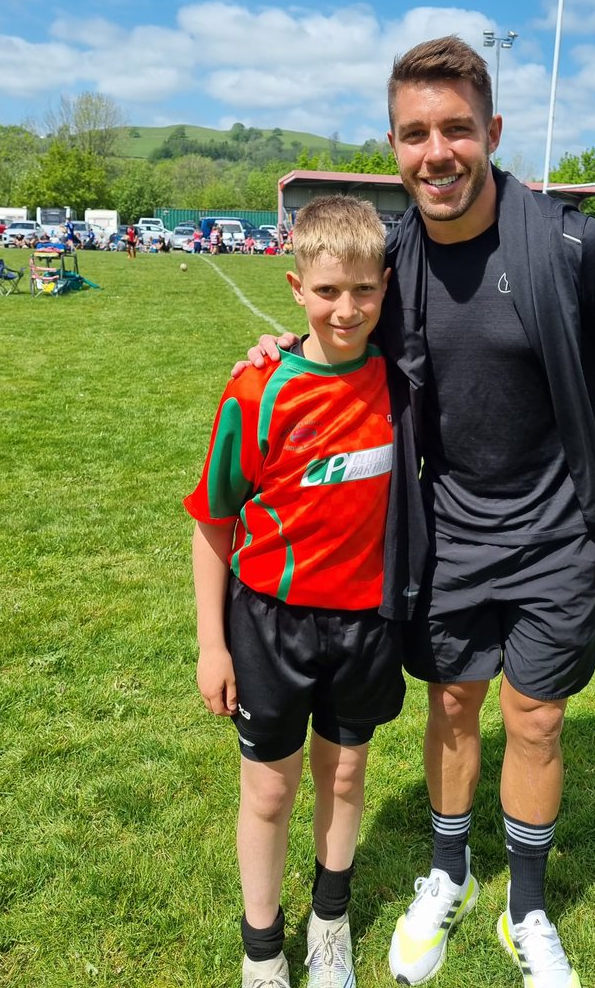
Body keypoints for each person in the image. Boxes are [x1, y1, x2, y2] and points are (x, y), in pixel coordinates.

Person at [240, 36, 595, 988]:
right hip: (441, 538)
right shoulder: (392, 262)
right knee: (451, 708)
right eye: (415, 134)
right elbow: (342, 323)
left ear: (490, 131)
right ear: (394, 146)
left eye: (454, 129)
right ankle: (447, 874)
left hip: (553, 535)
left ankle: (526, 909)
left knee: (535, 724)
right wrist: (285, 346)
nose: (435, 152)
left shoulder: (573, 246)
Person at [186, 195, 403, 988]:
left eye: (364, 292)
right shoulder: (257, 388)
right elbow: (214, 522)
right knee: (270, 792)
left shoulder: (401, 380)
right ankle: (262, 951)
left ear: (386, 287)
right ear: (294, 286)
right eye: (326, 291)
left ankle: (331, 922)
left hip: (365, 623)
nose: (346, 310)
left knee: (346, 776)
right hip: (270, 624)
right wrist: (213, 644)